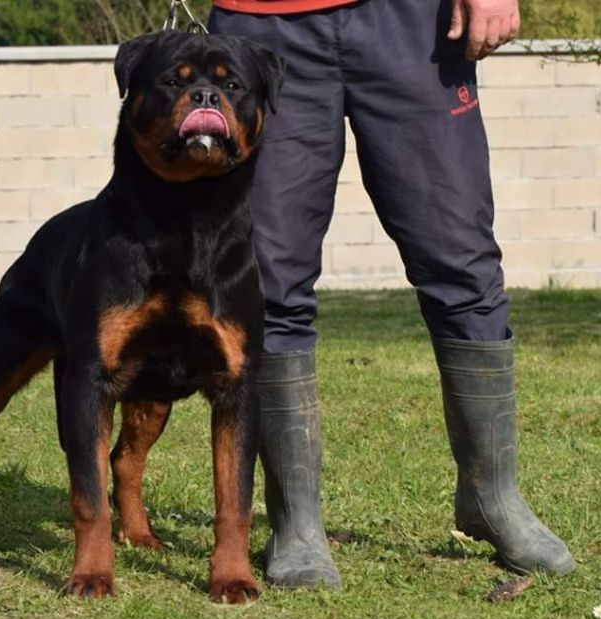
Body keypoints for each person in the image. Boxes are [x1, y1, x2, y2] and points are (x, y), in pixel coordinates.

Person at [207, 0, 575, 589]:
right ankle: (295, 523)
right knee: (267, 277)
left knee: (461, 258)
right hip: (262, 22)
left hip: (411, 21)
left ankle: (491, 495)